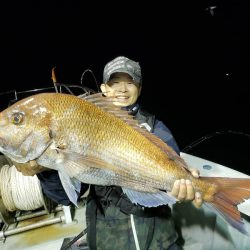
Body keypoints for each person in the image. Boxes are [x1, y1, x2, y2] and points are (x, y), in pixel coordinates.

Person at [11, 56, 202, 250]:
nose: (122, 89)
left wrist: (185, 187)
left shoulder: (156, 128)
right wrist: (46, 170)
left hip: (158, 238)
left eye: (130, 82)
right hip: (107, 240)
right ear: (104, 89)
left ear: (140, 88)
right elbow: (66, 197)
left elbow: (175, 172)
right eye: (115, 82)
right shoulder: (83, 120)